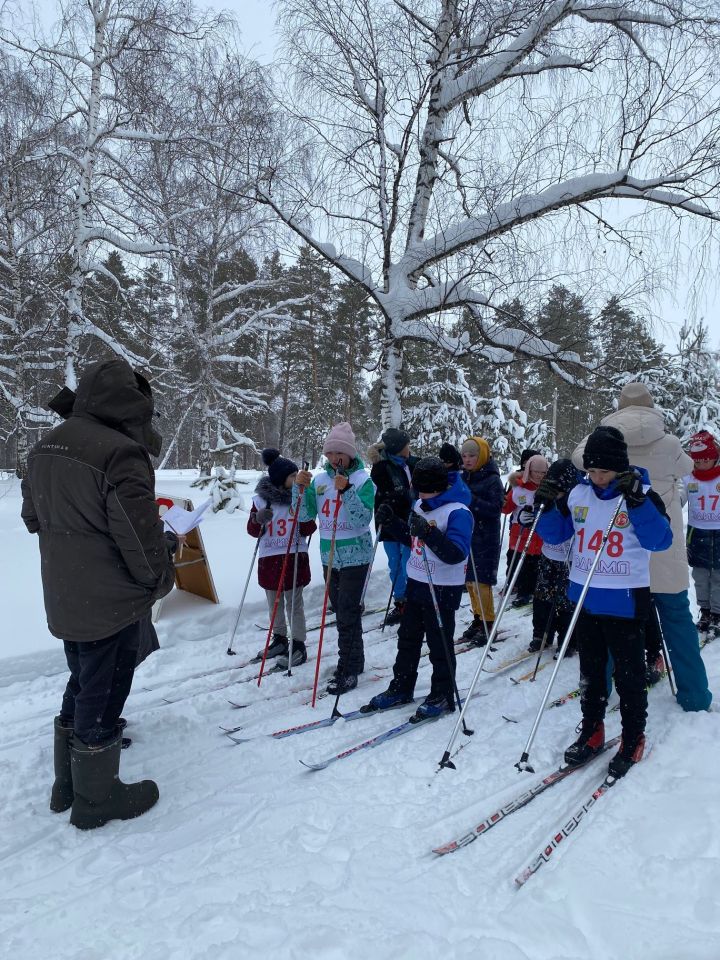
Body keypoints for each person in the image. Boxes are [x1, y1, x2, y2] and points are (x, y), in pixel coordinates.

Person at [21, 358, 177, 829]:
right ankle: (96, 797)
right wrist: (161, 576)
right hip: (110, 597)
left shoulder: (46, 445)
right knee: (105, 686)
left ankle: (66, 783)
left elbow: (33, 518)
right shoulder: (120, 453)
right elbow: (137, 534)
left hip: (66, 590)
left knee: (84, 677)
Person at [538, 426, 672, 778]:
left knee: (629, 677)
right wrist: (550, 505)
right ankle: (592, 729)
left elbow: (660, 541)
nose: (597, 478)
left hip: (625, 599)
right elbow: (554, 535)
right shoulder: (580, 494)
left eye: (605, 472)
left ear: (620, 467)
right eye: (592, 471)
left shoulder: (641, 493)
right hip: (585, 596)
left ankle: (632, 737)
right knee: (591, 673)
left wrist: (638, 503)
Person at [572, 382, 712, 712]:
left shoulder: (603, 441)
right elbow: (688, 468)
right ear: (651, 406)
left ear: (619, 407)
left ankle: (600, 688)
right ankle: (694, 694)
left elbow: (579, 459)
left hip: (617, 548)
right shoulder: (670, 443)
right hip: (663, 546)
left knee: (606, 621)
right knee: (676, 620)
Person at [363, 457, 473, 720]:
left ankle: (443, 693)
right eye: (417, 489)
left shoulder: (458, 511)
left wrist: (429, 533)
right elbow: (414, 540)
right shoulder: (421, 504)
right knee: (408, 639)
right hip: (417, 581)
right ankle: (401, 686)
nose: (419, 494)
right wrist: (393, 523)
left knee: (439, 644)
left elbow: (456, 553)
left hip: (443, 588)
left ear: (438, 486)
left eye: (424, 489)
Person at [294, 422, 375, 694]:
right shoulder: (319, 481)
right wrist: (299, 489)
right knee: (342, 611)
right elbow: (304, 518)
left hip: (356, 555)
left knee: (347, 613)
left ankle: (349, 667)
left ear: (349, 454)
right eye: (329, 454)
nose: (333, 459)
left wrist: (346, 490)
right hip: (329, 556)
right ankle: (356, 660)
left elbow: (363, 518)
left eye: (338, 454)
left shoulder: (363, 480)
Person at [248, 448, 316, 668]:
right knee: (274, 603)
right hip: (270, 558)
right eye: (291, 476)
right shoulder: (261, 500)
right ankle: (279, 638)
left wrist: (303, 507)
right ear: (279, 479)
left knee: (294, 604)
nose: (296, 479)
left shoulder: (300, 497)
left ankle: (298, 644)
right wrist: (257, 519)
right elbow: (251, 530)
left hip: (294, 557)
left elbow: (308, 527)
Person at [367, 428, 418, 625]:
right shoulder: (382, 467)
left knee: (409, 562)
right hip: (389, 522)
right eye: (406, 446)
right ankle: (401, 601)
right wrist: (403, 495)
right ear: (398, 448)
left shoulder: (413, 463)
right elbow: (389, 491)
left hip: (409, 521)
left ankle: (413, 600)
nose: (409, 448)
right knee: (395, 564)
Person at [530, 458, 580, 656]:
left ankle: (568, 638)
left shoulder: (577, 499)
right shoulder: (547, 496)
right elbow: (543, 525)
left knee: (567, 602)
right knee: (542, 596)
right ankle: (541, 633)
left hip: (570, 559)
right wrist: (533, 516)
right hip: (549, 555)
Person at [458, 436, 504, 644]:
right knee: (469, 581)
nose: (467, 460)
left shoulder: (492, 479)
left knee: (481, 582)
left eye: (472, 456)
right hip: (467, 535)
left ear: (482, 456)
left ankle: (488, 622)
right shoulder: (464, 476)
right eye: (464, 456)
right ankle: (478, 618)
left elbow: (495, 509)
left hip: (485, 537)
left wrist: (472, 501)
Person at [683, 430, 720, 640]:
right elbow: (678, 495)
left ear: (715, 456)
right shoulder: (689, 478)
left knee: (718, 576)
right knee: (700, 575)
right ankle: (705, 611)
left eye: (706, 459)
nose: (702, 464)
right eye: (697, 460)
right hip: (697, 533)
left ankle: (717, 613)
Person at [502, 454, 548, 606]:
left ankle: (534, 590)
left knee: (536, 563)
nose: (540, 476)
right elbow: (506, 509)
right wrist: (501, 501)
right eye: (536, 472)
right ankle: (522, 591)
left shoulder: (547, 489)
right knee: (521, 564)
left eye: (543, 473)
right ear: (529, 471)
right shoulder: (519, 488)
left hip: (539, 534)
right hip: (520, 532)